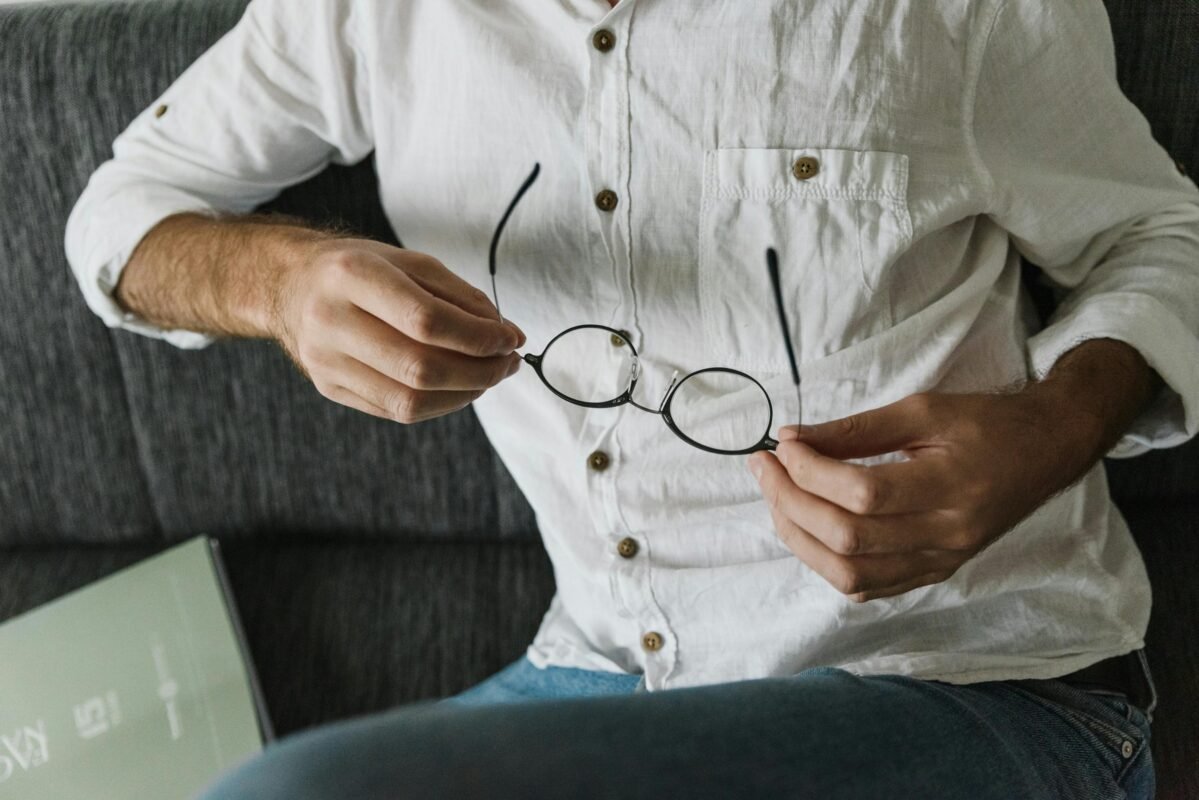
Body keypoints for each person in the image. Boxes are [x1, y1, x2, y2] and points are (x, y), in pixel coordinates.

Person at [65, 0, 1198, 797]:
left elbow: (1162, 234)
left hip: (972, 683)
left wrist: (1048, 431)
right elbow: (116, 219)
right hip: (595, 681)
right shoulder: (364, 13)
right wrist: (285, 282)